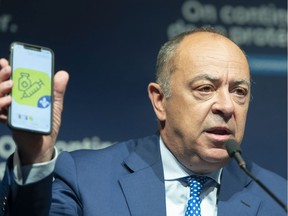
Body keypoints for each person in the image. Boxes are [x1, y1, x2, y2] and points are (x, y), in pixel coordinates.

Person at [0, 27, 287, 216]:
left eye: (239, 92)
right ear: (160, 101)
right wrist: (35, 155)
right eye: (205, 88)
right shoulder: (83, 178)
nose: (226, 106)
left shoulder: (278, 199)